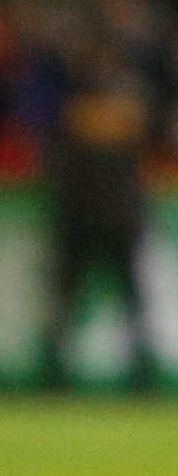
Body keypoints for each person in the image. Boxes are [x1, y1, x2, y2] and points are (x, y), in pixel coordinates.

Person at [40, 53, 160, 394]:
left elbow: (59, 173)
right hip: (121, 221)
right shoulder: (129, 117)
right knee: (132, 302)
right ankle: (143, 375)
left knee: (66, 299)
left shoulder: (73, 116)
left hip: (80, 221)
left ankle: (54, 375)